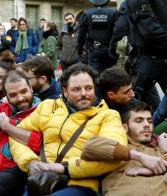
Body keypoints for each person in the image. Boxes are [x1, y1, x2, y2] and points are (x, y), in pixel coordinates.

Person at [9, 63, 127, 196]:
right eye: (76, 90)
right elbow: (14, 136)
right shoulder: (48, 107)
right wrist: (30, 162)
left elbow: (116, 155)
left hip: (79, 185)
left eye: (89, 88)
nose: (84, 94)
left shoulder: (107, 116)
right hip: (41, 181)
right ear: (64, 91)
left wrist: (65, 168)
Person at [81, 101, 167, 196]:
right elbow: (90, 146)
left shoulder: (161, 146)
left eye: (150, 121)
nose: (146, 124)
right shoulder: (119, 144)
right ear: (125, 127)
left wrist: (158, 162)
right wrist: (139, 156)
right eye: (139, 121)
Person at [78, 0, 118, 75]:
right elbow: (118, 31)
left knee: (95, 77)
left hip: (94, 50)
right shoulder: (113, 13)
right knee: (109, 76)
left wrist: (80, 50)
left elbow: (80, 35)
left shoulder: (87, 14)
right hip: (109, 51)